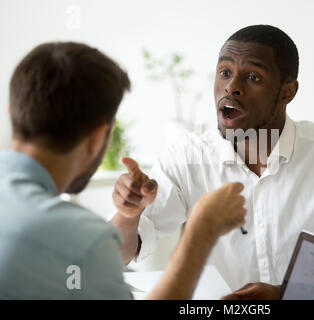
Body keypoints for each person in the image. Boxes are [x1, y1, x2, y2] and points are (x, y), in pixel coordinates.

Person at [110, 25, 314, 300]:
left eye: (253, 77)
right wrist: (129, 213)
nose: (232, 87)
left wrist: (284, 295)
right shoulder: (188, 156)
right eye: (224, 72)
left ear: (287, 92)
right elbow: (117, 254)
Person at [0, 42, 247, 299]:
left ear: (12, 114)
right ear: (99, 138)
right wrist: (201, 232)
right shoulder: (79, 239)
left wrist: (129, 216)